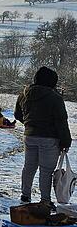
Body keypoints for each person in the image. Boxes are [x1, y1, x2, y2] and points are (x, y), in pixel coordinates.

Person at [14, 66, 72, 206]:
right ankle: (45, 200)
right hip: (49, 138)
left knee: (29, 167)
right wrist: (65, 141)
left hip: (30, 136)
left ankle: (25, 196)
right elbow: (61, 122)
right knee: (46, 171)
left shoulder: (24, 94)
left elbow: (17, 115)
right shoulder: (55, 98)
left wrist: (30, 124)